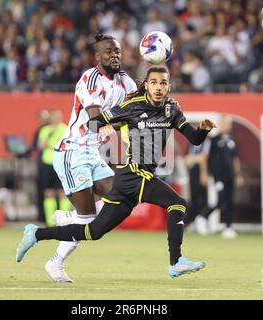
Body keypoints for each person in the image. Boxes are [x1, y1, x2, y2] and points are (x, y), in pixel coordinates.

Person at [16, 66, 217, 279]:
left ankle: (37, 233)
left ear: (169, 86)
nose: (159, 87)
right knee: (178, 203)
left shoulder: (172, 110)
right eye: (154, 82)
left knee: (93, 232)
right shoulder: (131, 106)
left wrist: (203, 129)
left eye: (163, 83)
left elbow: (194, 139)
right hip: (133, 173)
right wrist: (102, 127)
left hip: (129, 181)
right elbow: (93, 123)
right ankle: (175, 261)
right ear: (146, 85)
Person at [42, 33, 137, 283]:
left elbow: (137, 111)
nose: (114, 55)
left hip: (92, 153)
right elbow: (96, 122)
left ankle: (68, 219)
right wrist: (121, 124)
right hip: (72, 151)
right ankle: (56, 263)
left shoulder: (126, 83)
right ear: (98, 56)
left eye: (117, 50)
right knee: (88, 219)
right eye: (108, 51)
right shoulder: (90, 79)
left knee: (120, 196)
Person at [199, 115, 244, 239]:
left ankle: (228, 227)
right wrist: (203, 173)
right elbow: (204, 157)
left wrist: (238, 175)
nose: (226, 126)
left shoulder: (232, 140)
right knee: (218, 199)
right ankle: (203, 217)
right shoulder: (212, 140)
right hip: (217, 175)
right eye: (223, 123)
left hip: (230, 175)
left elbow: (235, 159)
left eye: (227, 123)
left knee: (230, 200)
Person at [37, 108, 70, 226]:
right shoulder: (45, 130)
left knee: (63, 192)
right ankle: (50, 221)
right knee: (48, 192)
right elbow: (40, 146)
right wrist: (50, 134)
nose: (56, 118)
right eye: (54, 116)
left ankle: (64, 221)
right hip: (47, 163)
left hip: (61, 163)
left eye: (58, 115)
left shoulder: (66, 128)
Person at [183, 137, 211, 234]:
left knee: (205, 200)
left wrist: (203, 173)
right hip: (193, 174)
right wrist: (195, 159)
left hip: (204, 173)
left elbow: (203, 158)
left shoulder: (207, 142)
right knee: (195, 199)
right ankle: (191, 222)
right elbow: (186, 158)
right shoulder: (192, 142)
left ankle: (201, 220)